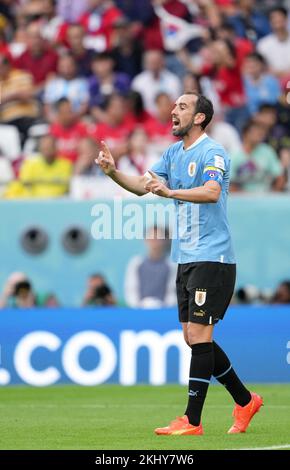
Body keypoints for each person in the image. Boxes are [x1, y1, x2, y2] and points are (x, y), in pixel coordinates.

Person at [95, 91, 263, 436]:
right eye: (174, 105)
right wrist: (113, 173)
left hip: (213, 257)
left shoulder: (213, 152)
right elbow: (144, 186)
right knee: (193, 338)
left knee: (199, 335)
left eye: (182, 106)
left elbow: (211, 192)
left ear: (200, 117)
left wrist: (170, 193)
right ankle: (245, 401)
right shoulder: (172, 153)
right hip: (186, 257)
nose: (173, 110)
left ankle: (192, 420)